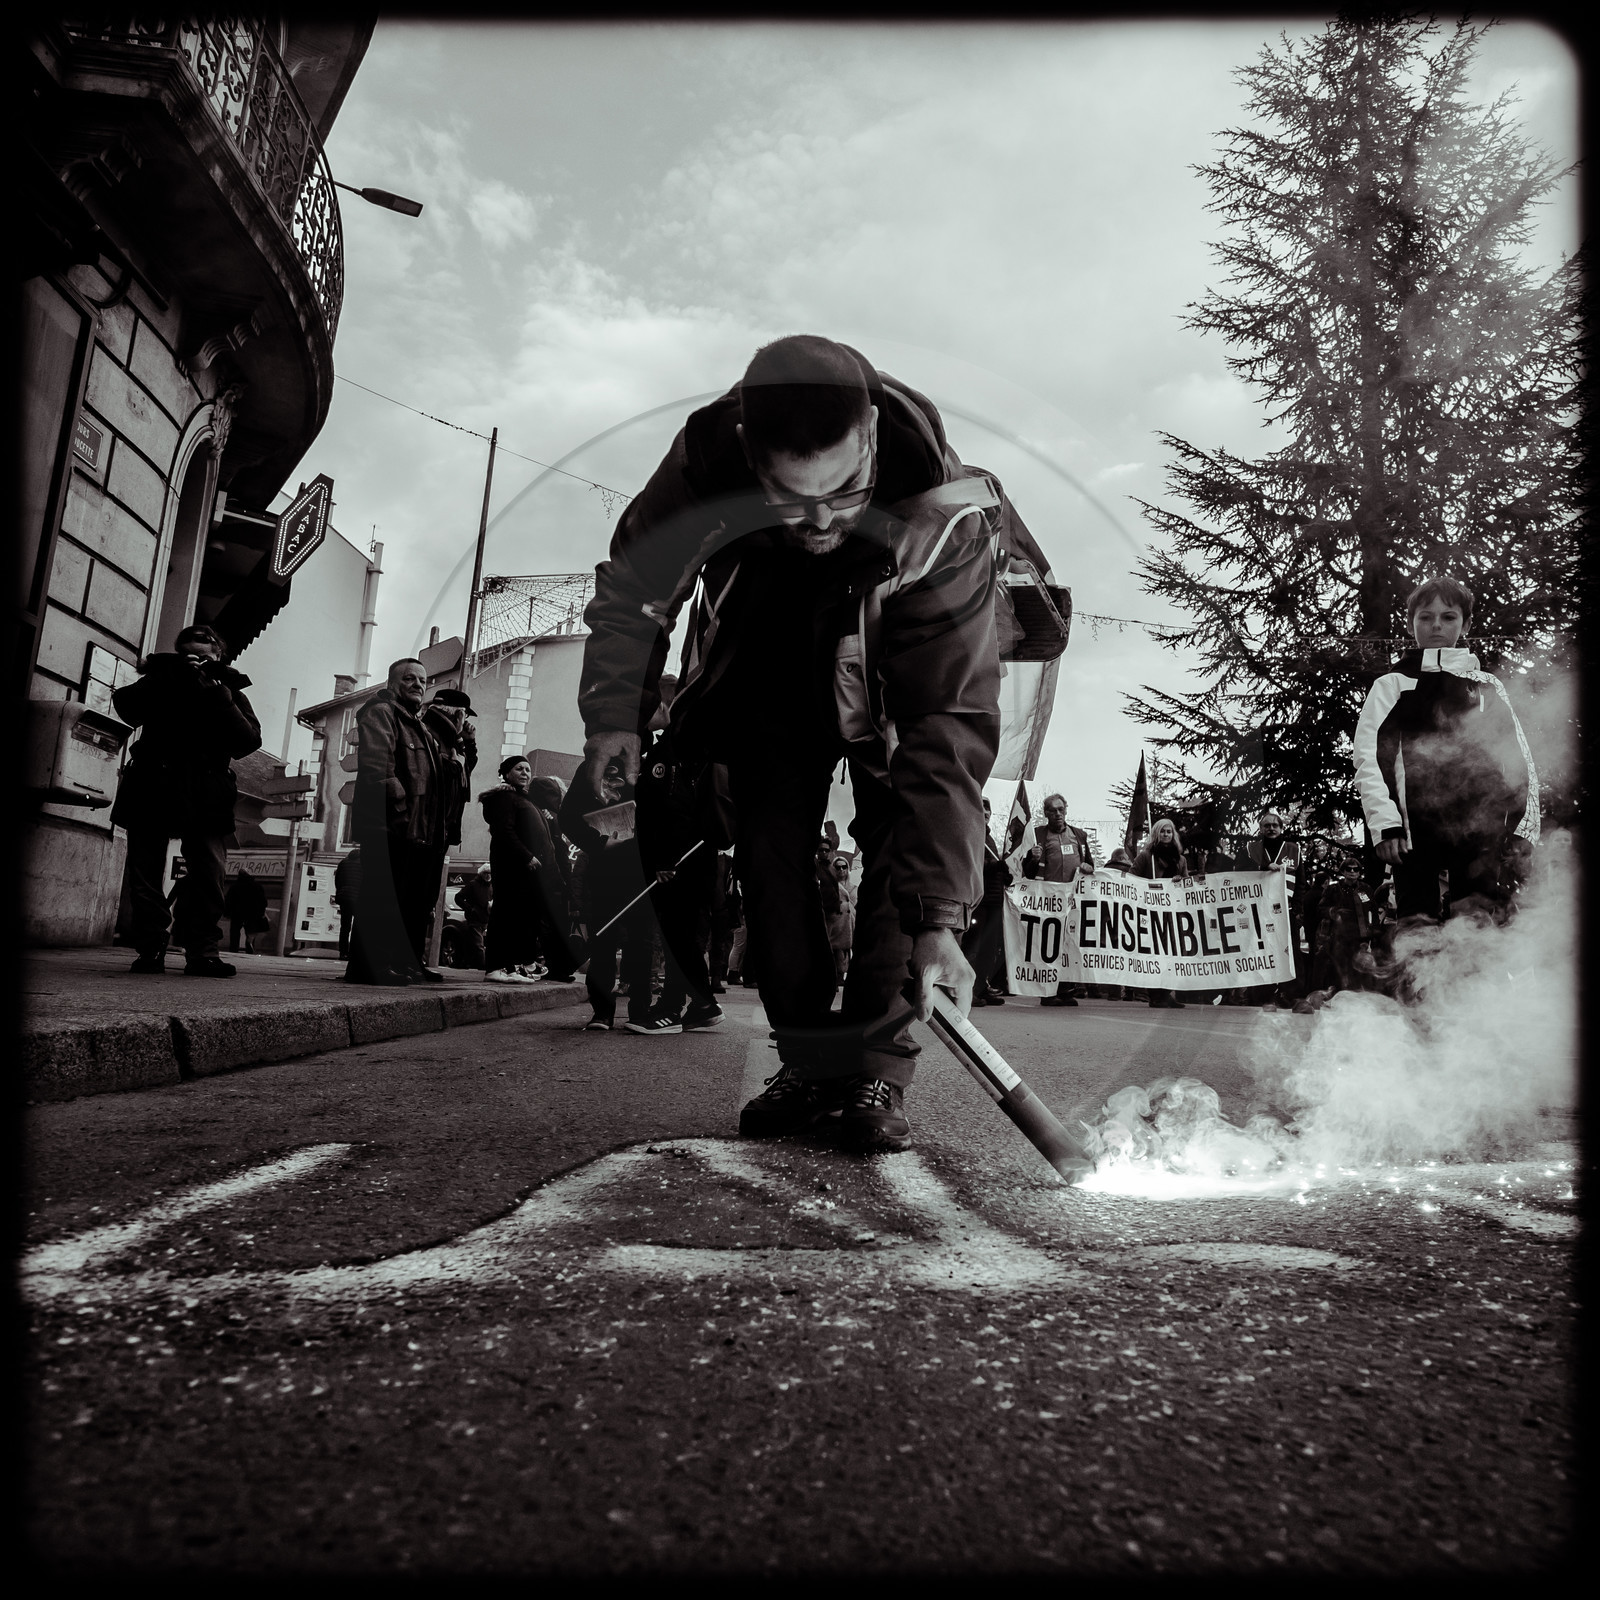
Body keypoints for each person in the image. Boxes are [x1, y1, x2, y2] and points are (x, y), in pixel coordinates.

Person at [578, 334, 1054, 1150]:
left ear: (869, 434)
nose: (821, 521)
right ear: (748, 457)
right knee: (769, 858)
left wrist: (942, 917)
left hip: (895, 670)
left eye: (842, 493)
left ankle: (875, 1066)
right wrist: (614, 718)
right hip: (766, 663)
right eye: (791, 501)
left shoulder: (948, 520)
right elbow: (634, 589)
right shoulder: (701, 462)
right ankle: (806, 1060)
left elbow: (946, 724)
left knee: (902, 845)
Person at [1354, 575, 1538, 924]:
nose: (1436, 624)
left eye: (1448, 616)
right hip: (1411, 834)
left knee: (1477, 933)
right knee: (1416, 934)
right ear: (1411, 625)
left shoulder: (1487, 686)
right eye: (1425, 617)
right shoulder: (1392, 684)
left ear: (1466, 624)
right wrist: (1386, 826)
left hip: (1480, 832)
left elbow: (1518, 759)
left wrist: (1518, 829)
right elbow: (1369, 758)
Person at [110, 623, 263, 977]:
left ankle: (202, 951)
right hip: (152, 783)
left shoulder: (231, 690)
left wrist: (218, 694)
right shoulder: (161, 678)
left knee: (209, 872)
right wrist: (168, 675)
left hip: (207, 790)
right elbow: (128, 708)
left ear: (219, 656)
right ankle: (150, 947)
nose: (196, 658)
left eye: (205, 652)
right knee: (144, 872)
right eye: (189, 652)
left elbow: (247, 742)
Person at [345, 657, 448, 986]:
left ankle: (392, 963)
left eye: (422, 679)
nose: (418, 684)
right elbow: (379, 769)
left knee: (400, 898)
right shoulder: (382, 711)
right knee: (380, 893)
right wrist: (402, 813)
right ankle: (366, 967)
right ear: (392, 683)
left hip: (411, 825)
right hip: (388, 821)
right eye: (409, 678)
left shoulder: (415, 722)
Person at [632, 730, 721, 1032]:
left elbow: (665, 810)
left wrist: (662, 859)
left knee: (677, 937)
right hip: (696, 862)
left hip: (678, 864)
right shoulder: (703, 752)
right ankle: (696, 1005)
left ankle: (678, 1007)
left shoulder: (669, 756)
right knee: (683, 937)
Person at [560, 757, 655, 1031]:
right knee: (606, 939)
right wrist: (599, 842)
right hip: (607, 868)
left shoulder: (649, 764)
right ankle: (605, 1011)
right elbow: (568, 816)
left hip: (640, 869)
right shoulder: (594, 765)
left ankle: (637, 1011)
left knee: (640, 942)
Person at [481, 757, 568, 984]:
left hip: (526, 872)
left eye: (528, 769)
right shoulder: (504, 798)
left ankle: (513, 966)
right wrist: (526, 855)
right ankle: (496, 966)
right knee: (504, 914)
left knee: (520, 917)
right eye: (519, 768)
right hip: (512, 867)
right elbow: (504, 831)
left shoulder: (522, 798)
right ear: (506, 773)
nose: (525, 773)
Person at [1023, 792, 1095, 1007]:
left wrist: (1089, 868)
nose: (1057, 814)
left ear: (1066, 810)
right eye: (1052, 810)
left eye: (1061, 809)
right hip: (1046, 901)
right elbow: (1026, 872)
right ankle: (1047, 991)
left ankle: (1065, 990)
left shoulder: (1079, 836)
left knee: (1068, 946)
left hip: (1072, 901)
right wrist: (1033, 859)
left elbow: (1090, 866)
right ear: (1045, 813)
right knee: (1048, 946)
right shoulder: (1036, 836)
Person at [1243, 810, 1304, 1006]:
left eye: (1274, 825)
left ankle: (1289, 995)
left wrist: (1297, 909)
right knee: (1262, 952)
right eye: (1266, 825)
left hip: (1286, 913)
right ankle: (1262, 995)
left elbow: (1302, 882)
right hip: (1260, 912)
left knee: (1290, 953)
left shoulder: (1294, 849)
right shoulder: (1251, 849)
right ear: (1260, 829)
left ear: (1281, 828)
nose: (1271, 829)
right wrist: (1263, 867)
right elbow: (1239, 873)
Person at [1132, 817, 1189, 1009]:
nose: (1166, 834)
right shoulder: (1146, 856)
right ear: (1156, 833)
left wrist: (1180, 881)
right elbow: (1132, 879)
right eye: (1163, 831)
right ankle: (1155, 994)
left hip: (1171, 913)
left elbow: (1187, 884)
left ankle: (1167, 993)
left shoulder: (1180, 859)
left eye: (1169, 831)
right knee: (1154, 954)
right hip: (1150, 912)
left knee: (1171, 954)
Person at [965, 798, 1012, 1007]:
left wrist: (1004, 875)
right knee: (973, 946)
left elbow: (994, 864)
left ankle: (982, 986)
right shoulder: (971, 834)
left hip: (994, 900)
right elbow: (971, 864)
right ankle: (967, 989)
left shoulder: (990, 837)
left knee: (989, 948)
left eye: (988, 809)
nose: (985, 812)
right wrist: (994, 867)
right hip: (979, 900)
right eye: (981, 808)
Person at [454, 863, 492, 970]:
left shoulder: (491, 886)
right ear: (481, 874)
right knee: (479, 944)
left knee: (475, 944)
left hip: (486, 919)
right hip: (475, 919)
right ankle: (482, 965)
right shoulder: (472, 884)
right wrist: (469, 909)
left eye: (490, 873)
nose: (488, 875)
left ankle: (467, 963)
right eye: (486, 873)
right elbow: (458, 898)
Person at [223, 865, 268, 955]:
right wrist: (261, 912)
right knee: (250, 932)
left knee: (235, 932)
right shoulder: (257, 886)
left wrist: (227, 913)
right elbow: (263, 901)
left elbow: (228, 901)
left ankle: (233, 949)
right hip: (252, 914)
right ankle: (250, 948)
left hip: (237, 914)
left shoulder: (234, 887)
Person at [826, 854, 856, 985]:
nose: (841, 870)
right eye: (838, 867)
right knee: (835, 948)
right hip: (836, 921)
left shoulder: (854, 886)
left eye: (844, 867)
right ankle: (835, 975)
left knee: (845, 950)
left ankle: (842, 973)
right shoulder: (830, 885)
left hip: (850, 921)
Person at [333, 845, 362, 962]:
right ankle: (355, 953)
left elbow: (337, 880)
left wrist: (341, 891)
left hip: (344, 896)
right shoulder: (363, 863)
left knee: (345, 927)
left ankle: (343, 953)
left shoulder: (343, 862)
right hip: (358, 898)